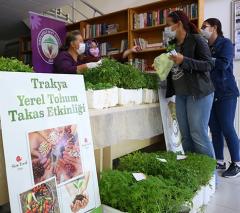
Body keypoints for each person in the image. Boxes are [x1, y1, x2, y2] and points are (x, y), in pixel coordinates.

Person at [165, 10, 215, 158]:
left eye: (169, 25)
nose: (166, 29)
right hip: (181, 94)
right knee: (185, 136)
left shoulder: (196, 40)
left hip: (199, 93)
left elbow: (208, 65)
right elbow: (172, 68)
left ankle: (209, 177)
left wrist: (184, 61)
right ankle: (194, 174)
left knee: (198, 134)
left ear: (179, 24)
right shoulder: (172, 45)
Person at [201, 18, 240, 177]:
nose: (202, 29)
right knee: (215, 129)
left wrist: (202, 60)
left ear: (214, 27)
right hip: (211, 92)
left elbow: (223, 64)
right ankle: (219, 160)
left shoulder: (226, 44)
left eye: (205, 27)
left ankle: (237, 164)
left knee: (227, 127)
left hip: (226, 92)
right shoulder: (206, 47)